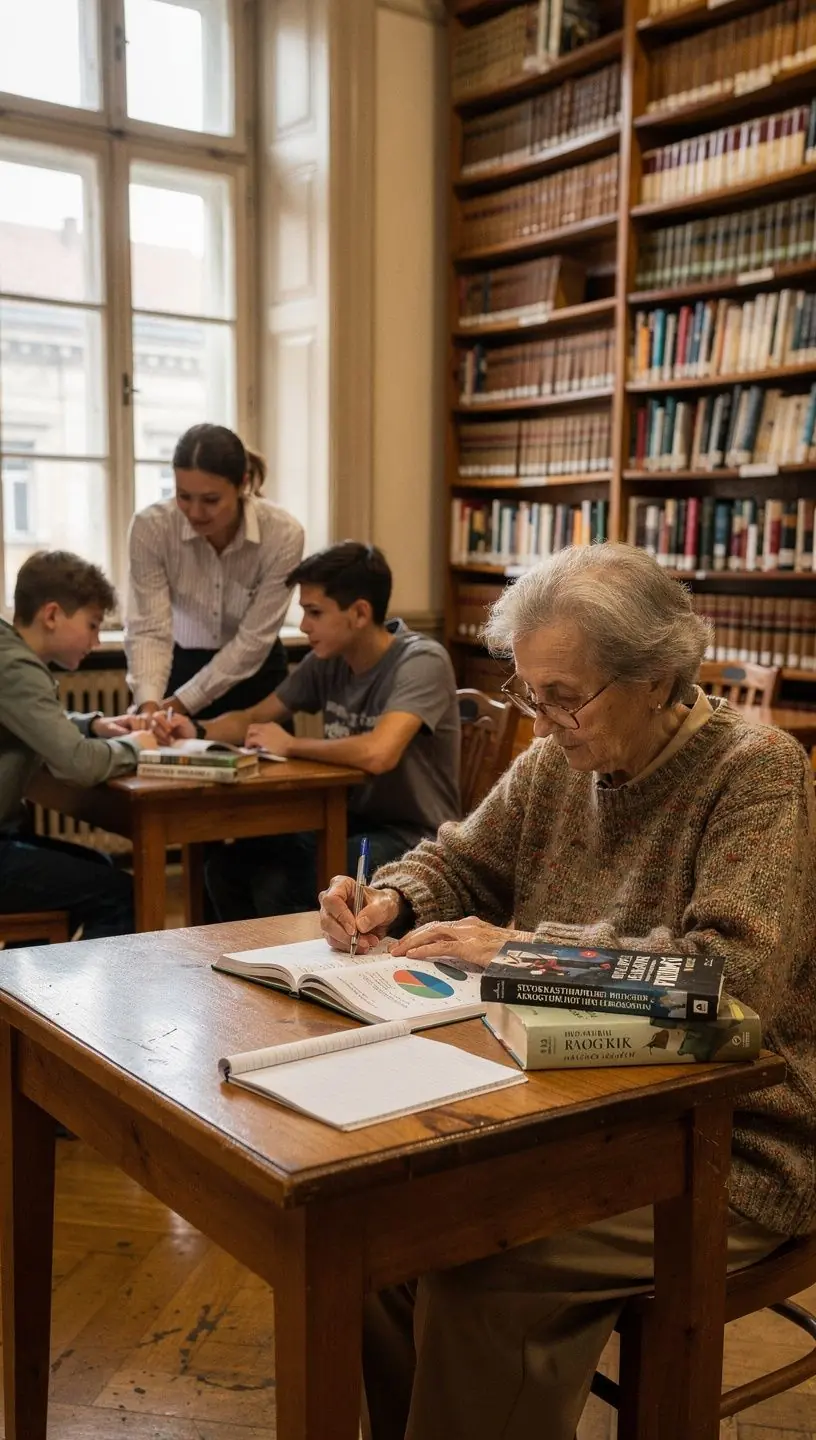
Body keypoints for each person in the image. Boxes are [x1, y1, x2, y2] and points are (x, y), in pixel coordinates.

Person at [318, 542, 816, 1440]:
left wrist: (523, 950)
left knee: (482, 1270)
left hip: (734, 1139)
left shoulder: (758, 771)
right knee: (377, 1238)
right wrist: (391, 893)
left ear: (661, 679)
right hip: (578, 1101)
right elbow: (462, 855)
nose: (541, 725)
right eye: (526, 693)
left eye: (564, 698)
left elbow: (724, 979)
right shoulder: (561, 760)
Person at [163, 542, 461, 919]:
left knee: (282, 882)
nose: (304, 626)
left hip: (412, 837)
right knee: (226, 868)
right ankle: (246, 969)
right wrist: (194, 729)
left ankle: (295, 972)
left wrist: (291, 745)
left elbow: (378, 753)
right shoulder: (328, 659)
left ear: (359, 613)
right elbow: (255, 716)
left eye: (314, 612)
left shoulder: (421, 661)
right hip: (342, 819)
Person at [0, 551, 156, 940]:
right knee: (120, 893)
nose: (97, 639)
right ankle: (76, 1002)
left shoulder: (8, 653)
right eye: (92, 624)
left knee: (97, 864)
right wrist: (139, 745)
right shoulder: (16, 669)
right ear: (51, 615)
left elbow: (29, 721)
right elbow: (78, 765)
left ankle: (30, 985)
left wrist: (93, 724)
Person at [125, 423, 304, 720]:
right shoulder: (151, 527)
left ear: (242, 484)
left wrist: (182, 704)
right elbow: (149, 627)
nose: (195, 513)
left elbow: (253, 641)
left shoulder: (283, 534)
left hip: (256, 674)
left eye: (210, 500)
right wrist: (149, 707)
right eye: (183, 496)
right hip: (179, 666)